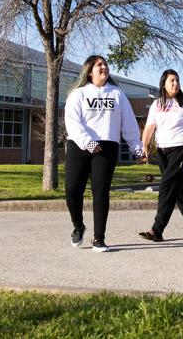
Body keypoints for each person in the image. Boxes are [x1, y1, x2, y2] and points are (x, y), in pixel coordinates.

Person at [64, 55, 146, 252]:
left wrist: (137, 148)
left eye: (105, 64)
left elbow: (129, 124)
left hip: (107, 147)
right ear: (89, 70)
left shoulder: (117, 94)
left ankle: (99, 238)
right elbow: (72, 121)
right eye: (98, 64)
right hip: (79, 145)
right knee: (72, 190)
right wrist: (87, 142)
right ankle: (78, 225)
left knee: (101, 192)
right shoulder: (79, 94)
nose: (104, 67)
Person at [138, 69, 183, 242]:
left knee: (167, 186)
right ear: (163, 84)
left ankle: (157, 230)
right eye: (172, 81)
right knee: (179, 188)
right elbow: (149, 127)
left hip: (182, 149)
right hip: (163, 151)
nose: (175, 84)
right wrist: (144, 145)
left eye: (177, 80)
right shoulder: (157, 104)